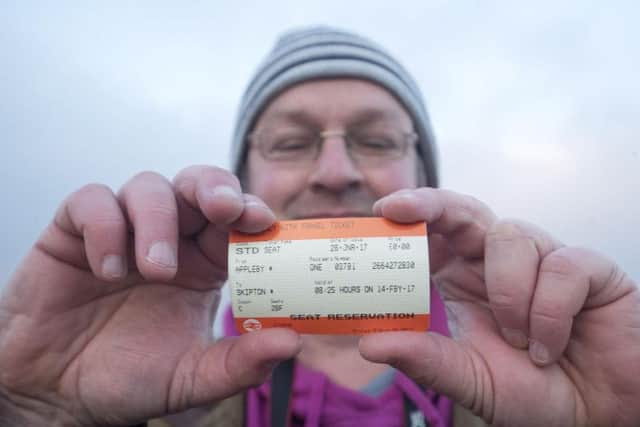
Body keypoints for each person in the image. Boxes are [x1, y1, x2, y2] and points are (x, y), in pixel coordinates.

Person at [1, 26, 639, 427]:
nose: (336, 173)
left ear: (426, 173)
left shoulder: (535, 374)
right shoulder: (166, 397)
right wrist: (35, 409)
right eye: (289, 142)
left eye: (377, 138)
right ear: (240, 182)